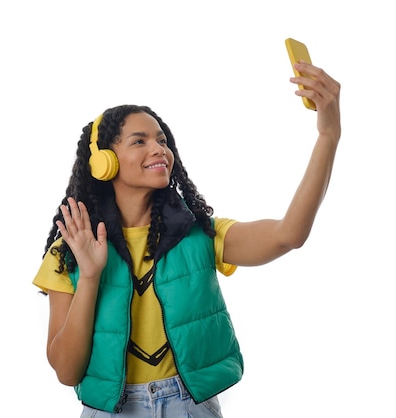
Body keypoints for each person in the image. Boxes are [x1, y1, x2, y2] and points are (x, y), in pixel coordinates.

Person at [32, 61, 341, 417]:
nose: (159, 149)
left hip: (188, 406)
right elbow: (66, 371)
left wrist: (328, 136)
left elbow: (289, 234)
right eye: (140, 141)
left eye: (162, 140)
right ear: (104, 162)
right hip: (109, 410)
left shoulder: (200, 234)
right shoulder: (70, 249)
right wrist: (89, 276)